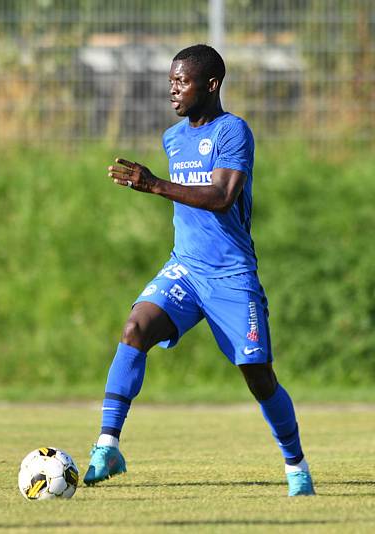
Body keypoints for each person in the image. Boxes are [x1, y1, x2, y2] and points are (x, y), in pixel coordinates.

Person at [83, 44, 315, 497]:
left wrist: (154, 184)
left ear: (211, 85)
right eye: (171, 81)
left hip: (231, 276)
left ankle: (296, 467)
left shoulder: (234, 132)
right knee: (135, 328)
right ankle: (107, 445)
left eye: (182, 81)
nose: (173, 90)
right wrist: (157, 185)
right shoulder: (173, 138)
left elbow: (222, 196)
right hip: (184, 269)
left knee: (259, 376)